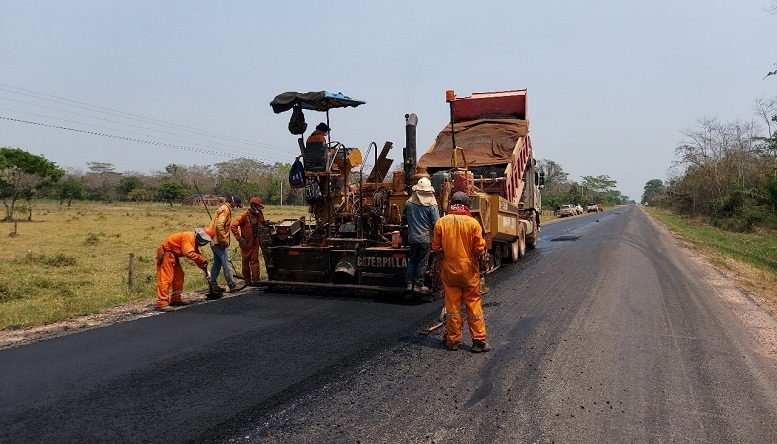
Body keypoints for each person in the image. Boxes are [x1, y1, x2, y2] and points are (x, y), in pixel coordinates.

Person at [431, 191, 490, 352]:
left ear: (452, 204)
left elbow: (435, 247)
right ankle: (478, 341)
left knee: (452, 307)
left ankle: (453, 340)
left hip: (450, 271)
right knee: (473, 305)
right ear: (466, 205)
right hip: (469, 271)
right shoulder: (473, 223)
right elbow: (479, 248)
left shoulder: (442, 222)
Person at [155, 227, 214, 310]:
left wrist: (205, 270)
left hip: (173, 254)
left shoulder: (194, 242)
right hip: (166, 253)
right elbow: (189, 253)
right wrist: (202, 259)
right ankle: (162, 302)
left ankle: (175, 299)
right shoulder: (189, 237)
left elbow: (197, 257)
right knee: (166, 277)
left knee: (179, 276)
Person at [401, 177, 439, 292]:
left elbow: (403, 219)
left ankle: (409, 284)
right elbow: (436, 224)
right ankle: (419, 285)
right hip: (425, 239)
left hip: (412, 239)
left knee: (412, 260)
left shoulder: (409, 203)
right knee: (422, 262)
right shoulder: (432, 205)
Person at [209, 194, 244, 294]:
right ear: (233, 202)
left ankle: (212, 284)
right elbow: (220, 224)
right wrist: (223, 240)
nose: (236, 207)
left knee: (217, 263)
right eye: (236, 205)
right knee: (226, 262)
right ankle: (232, 285)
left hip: (213, 240)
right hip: (218, 242)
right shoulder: (226, 210)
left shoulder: (222, 208)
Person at [231, 196, 266, 286]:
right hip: (246, 243)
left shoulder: (259, 214)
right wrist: (239, 238)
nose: (259, 208)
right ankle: (247, 280)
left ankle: (256, 280)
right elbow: (233, 226)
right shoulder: (244, 215)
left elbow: (263, 225)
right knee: (245, 261)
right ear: (253, 206)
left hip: (256, 241)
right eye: (258, 206)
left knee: (255, 261)